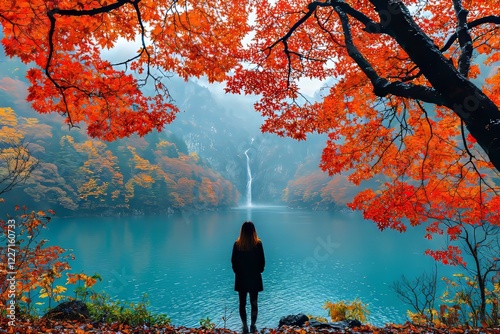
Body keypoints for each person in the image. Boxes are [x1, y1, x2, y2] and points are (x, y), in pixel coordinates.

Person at [231, 221, 265, 333]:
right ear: (254, 231)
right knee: (254, 303)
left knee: (242, 303)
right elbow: (262, 262)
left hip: (241, 279)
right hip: (254, 278)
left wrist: (239, 273)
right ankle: (253, 325)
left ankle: (244, 326)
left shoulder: (237, 244)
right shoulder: (258, 244)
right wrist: (257, 271)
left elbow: (233, 262)